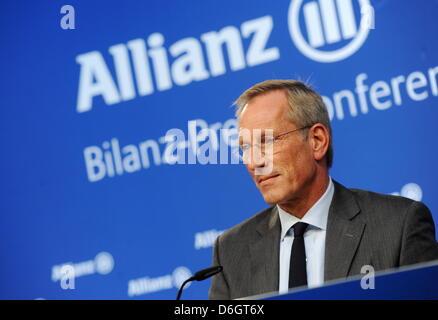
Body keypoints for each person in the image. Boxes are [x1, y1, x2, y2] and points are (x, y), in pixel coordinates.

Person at [208, 80, 438, 300]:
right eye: (245, 147)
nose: (253, 161)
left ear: (317, 141)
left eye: (267, 141)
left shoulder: (398, 225)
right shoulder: (231, 251)